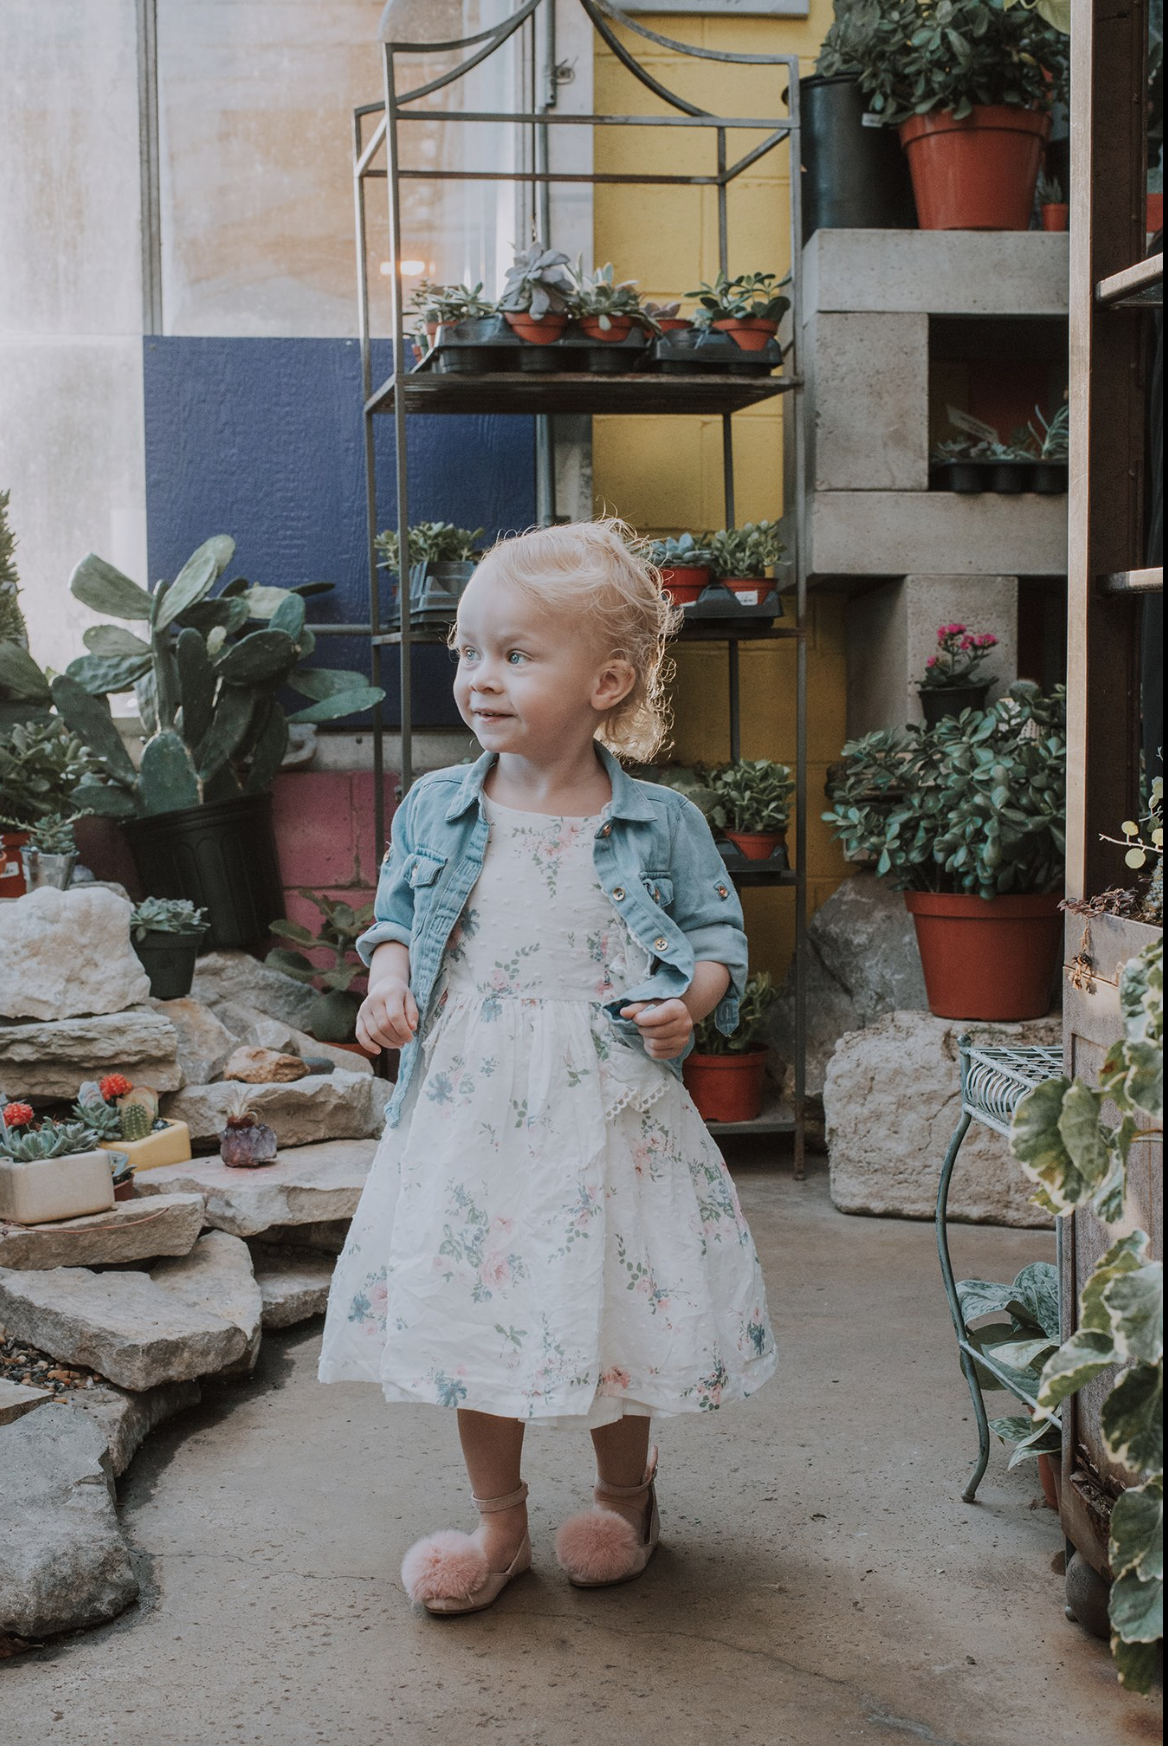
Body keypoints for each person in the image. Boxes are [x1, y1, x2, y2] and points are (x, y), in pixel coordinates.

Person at [318, 518, 776, 1616]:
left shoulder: (658, 822)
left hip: (607, 1102)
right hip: (473, 1109)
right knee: (481, 1309)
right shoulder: (438, 803)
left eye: (517, 655)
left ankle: (625, 1501)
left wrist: (687, 1007)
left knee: (621, 1302)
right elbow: (395, 918)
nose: (481, 678)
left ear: (606, 681)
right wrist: (389, 984)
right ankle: (497, 1525)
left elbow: (719, 944)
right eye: (469, 651)